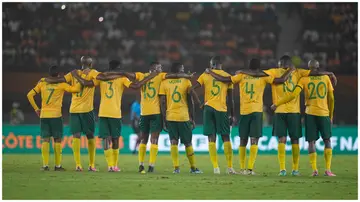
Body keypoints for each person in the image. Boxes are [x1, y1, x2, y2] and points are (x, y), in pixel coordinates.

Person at [205, 58, 294, 175]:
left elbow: (224, 79)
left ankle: (242, 169)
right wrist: (290, 70)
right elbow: (282, 80)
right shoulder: (263, 76)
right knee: (254, 139)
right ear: (259, 67)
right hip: (257, 111)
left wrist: (210, 72)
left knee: (243, 139)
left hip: (244, 111)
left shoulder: (242, 75)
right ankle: (250, 169)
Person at [45, 56, 125, 172]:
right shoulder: (93, 73)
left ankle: (78, 165)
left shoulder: (73, 73)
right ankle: (91, 165)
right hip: (87, 110)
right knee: (90, 136)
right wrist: (121, 74)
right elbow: (102, 78)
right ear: (91, 63)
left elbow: (60, 80)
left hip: (74, 110)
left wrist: (46, 80)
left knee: (76, 136)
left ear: (81, 63)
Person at [261, 55, 337, 176]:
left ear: (279, 63)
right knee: (296, 140)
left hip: (286, 111)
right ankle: (296, 169)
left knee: (284, 140)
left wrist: (277, 103)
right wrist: (329, 74)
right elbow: (316, 75)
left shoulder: (275, 71)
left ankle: (285, 169)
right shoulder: (300, 72)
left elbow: (260, 73)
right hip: (299, 111)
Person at [115, 62, 196, 173]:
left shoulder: (140, 75)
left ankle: (141, 164)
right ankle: (151, 166)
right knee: (154, 140)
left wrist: (117, 72)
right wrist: (188, 76)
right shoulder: (160, 76)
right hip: (156, 113)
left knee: (143, 139)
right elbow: (175, 75)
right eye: (160, 67)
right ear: (155, 68)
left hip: (144, 113)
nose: (161, 69)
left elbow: (129, 75)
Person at [86, 60, 159, 172]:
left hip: (103, 112)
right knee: (115, 139)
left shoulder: (101, 78)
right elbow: (136, 86)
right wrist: (150, 77)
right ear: (119, 68)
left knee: (105, 139)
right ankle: (114, 165)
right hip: (115, 113)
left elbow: (89, 84)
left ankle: (110, 165)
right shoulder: (122, 78)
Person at [26, 65, 82, 171]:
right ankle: (57, 166)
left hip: (44, 115)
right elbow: (76, 89)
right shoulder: (61, 84)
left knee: (45, 140)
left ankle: (45, 165)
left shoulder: (42, 83)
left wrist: (36, 109)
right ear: (59, 75)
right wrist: (77, 78)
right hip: (56, 116)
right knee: (57, 140)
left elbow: (29, 95)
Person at [190, 56, 236, 174]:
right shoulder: (227, 76)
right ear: (221, 64)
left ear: (212, 64)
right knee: (225, 137)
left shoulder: (205, 75)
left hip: (208, 108)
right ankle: (230, 167)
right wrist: (232, 114)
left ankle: (216, 168)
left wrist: (200, 103)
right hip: (221, 109)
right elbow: (231, 99)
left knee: (211, 137)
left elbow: (192, 89)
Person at [159, 62, 202, 174]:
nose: (184, 71)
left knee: (173, 142)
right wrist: (192, 117)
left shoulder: (164, 82)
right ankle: (193, 168)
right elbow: (190, 101)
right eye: (182, 69)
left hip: (170, 116)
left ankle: (176, 168)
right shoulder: (186, 81)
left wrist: (164, 119)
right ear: (178, 70)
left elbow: (163, 103)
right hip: (183, 116)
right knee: (188, 143)